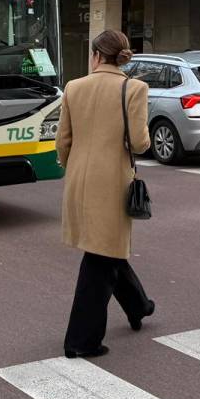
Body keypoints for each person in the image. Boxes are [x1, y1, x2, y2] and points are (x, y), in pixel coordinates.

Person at [57, 29, 155, 359]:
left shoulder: (74, 87)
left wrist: (73, 166)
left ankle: (139, 305)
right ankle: (81, 341)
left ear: (97, 55)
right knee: (101, 256)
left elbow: (63, 141)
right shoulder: (134, 88)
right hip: (112, 182)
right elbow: (139, 143)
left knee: (106, 248)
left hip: (78, 179)